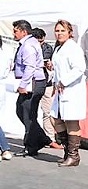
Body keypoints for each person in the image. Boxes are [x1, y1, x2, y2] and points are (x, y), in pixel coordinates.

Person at [49, 20, 88, 168]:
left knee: (71, 121)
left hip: (71, 90)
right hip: (60, 90)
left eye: (62, 31)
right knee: (55, 119)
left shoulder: (73, 48)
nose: (59, 33)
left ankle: (73, 156)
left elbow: (79, 68)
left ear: (69, 32)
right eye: (57, 31)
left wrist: (64, 81)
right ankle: (67, 151)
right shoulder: (59, 48)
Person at [12, 19, 51, 156]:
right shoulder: (28, 43)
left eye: (16, 30)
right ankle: (41, 139)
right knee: (23, 111)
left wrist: (23, 85)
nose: (14, 33)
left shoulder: (28, 45)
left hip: (33, 82)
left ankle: (32, 145)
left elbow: (30, 66)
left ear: (23, 31)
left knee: (27, 114)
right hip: (34, 82)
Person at [32, 27, 61, 151]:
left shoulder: (48, 48)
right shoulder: (28, 47)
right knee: (30, 113)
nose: (41, 44)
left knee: (48, 112)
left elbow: (51, 64)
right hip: (33, 83)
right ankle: (33, 138)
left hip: (47, 82)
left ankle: (50, 138)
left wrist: (49, 65)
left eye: (42, 41)